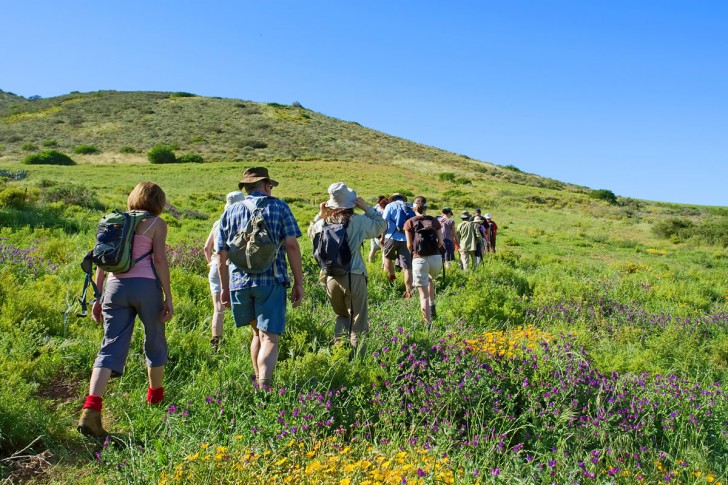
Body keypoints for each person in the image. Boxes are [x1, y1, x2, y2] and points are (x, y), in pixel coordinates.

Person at [78, 182, 173, 439]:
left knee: (110, 345)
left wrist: (98, 297)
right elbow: (160, 260)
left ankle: (91, 408)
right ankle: (155, 400)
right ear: (158, 202)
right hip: (146, 288)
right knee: (154, 339)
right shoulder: (157, 224)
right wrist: (168, 296)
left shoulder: (114, 222)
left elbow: (101, 260)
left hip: (115, 287)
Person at [217, 167, 304, 389]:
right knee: (270, 338)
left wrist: (225, 289)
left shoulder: (231, 211)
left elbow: (221, 253)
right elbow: (292, 246)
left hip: (239, 282)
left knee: (256, 333)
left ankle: (257, 381)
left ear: (246, 187)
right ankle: (265, 388)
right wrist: (298, 282)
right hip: (271, 280)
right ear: (266, 185)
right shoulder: (280, 207)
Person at [309, 183, 387, 352]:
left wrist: (319, 215)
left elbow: (310, 234)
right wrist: (366, 207)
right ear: (351, 203)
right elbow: (382, 225)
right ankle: (358, 359)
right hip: (353, 275)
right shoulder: (358, 221)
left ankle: (339, 353)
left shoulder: (322, 223)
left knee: (342, 316)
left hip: (330, 276)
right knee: (357, 320)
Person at [204, 191, 244, 351]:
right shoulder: (242, 223)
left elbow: (206, 248)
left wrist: (212, 264)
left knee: (218, 308)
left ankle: (216, 344)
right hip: (235, 267)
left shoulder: (218, 222)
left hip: (215, 266)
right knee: (244, 305)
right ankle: (248, 341)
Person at [403, 196, 444, 326]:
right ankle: (432, 306)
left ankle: (428, 324)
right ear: (426, 207)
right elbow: (441, 242)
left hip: (419, 258)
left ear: (414, 208)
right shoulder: (434, 221)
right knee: (430, 279)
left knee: (423, 295)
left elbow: (409, 245)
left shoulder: (409, 222)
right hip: (436, 259)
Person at [381, 193, 415, 297]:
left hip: (391, 237)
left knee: (387, 257)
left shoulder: (390, 206)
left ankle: (392, 279)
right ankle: (409, 292)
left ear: (392, 199)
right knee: (407, 267)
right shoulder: (409, 206)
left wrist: (382, 237)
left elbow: (384, 222)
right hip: (406, 239)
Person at [367, 195, 388, 265]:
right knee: (384, 251)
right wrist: (383, 237)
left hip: (374, 232)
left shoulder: (375, 207)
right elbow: (383, 225)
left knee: (373, 249)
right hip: (380, 234)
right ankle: (383, 266)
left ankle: (370, 262)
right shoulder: (384, 211)